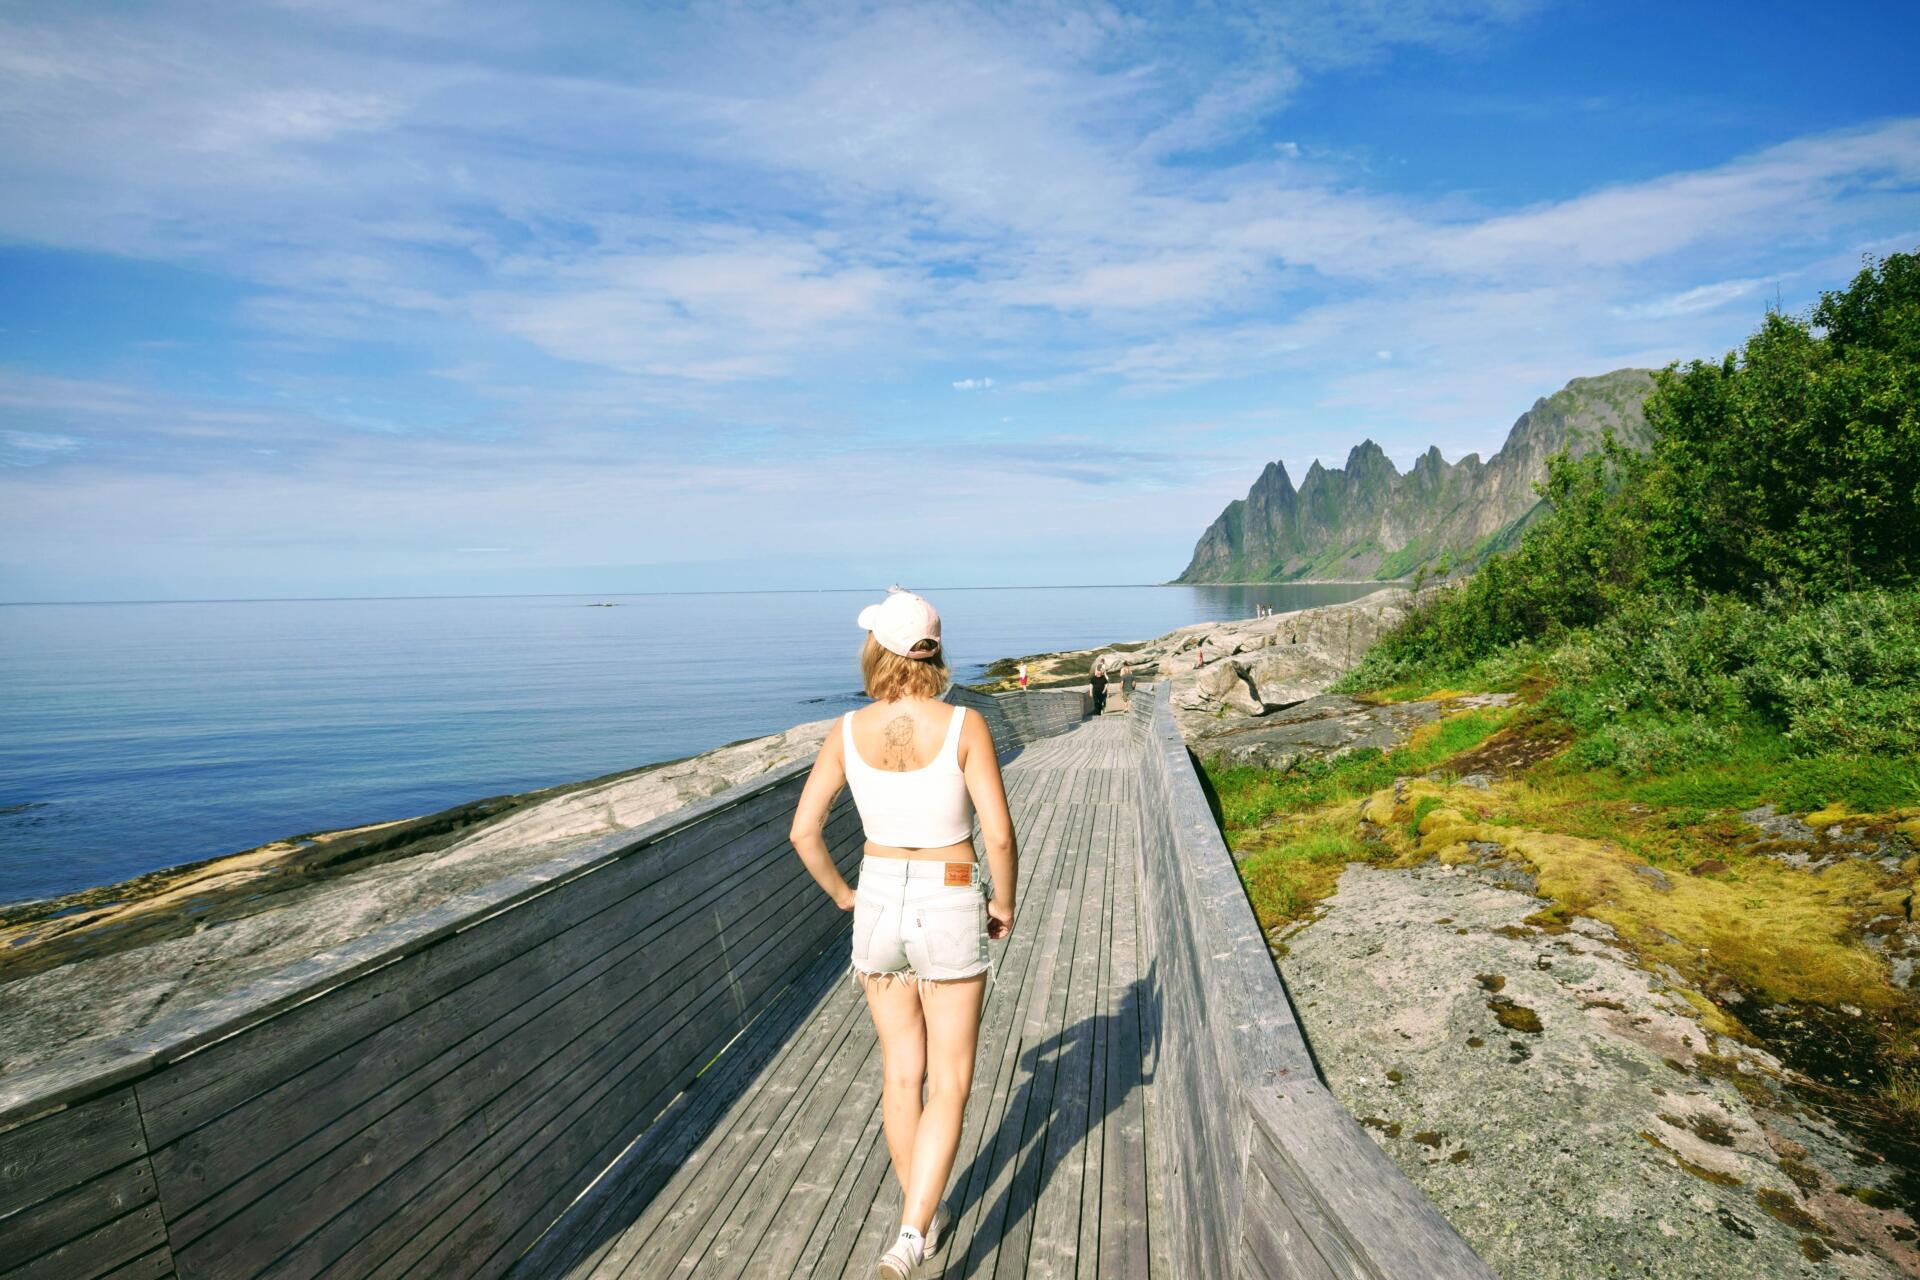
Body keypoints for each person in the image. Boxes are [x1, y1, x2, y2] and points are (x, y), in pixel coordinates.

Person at [789, 587, 1018, 1279]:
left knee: (901, 1074)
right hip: (950, 897)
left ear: (878, 651)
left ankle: (920, 1215)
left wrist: (844, 897)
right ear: (935, 651)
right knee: (949, 1080)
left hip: (878, 900)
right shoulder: (964, 725)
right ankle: (913, 1235)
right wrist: (1003, 902)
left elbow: (803, 833)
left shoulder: (844, 731)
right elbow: (999, 834)